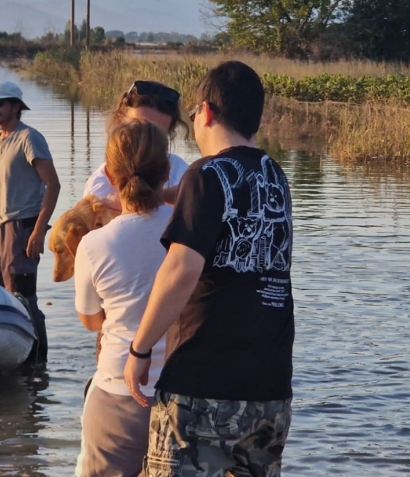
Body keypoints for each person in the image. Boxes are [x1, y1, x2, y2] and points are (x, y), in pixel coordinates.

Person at [124, 61, 295, 476]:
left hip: (203, 384)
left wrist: (140, 349)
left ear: (206, 112)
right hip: (270, 388)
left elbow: (181, 270)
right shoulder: (275, 176)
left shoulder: (207, 173)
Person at [74, 119, 172, 477]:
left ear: (110, 176)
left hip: (118, 392)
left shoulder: (94, 244)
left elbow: (90, 321)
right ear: (166, 170)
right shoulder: (191, 231)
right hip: (184, 395)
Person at [0, 81, 60, 362]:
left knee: (23, 297)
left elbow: (53, 185)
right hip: (1, 228)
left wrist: (38, 231)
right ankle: (0, 352)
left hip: (24, 226)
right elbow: (4, 192)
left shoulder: (29, 138)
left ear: (15, 107)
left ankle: (38, 359)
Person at [83, 80, 189, 209]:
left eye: (157, 134)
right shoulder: (99, 186)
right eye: (138, 128)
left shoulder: (181, 171)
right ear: (119, 122)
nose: (146, 141)